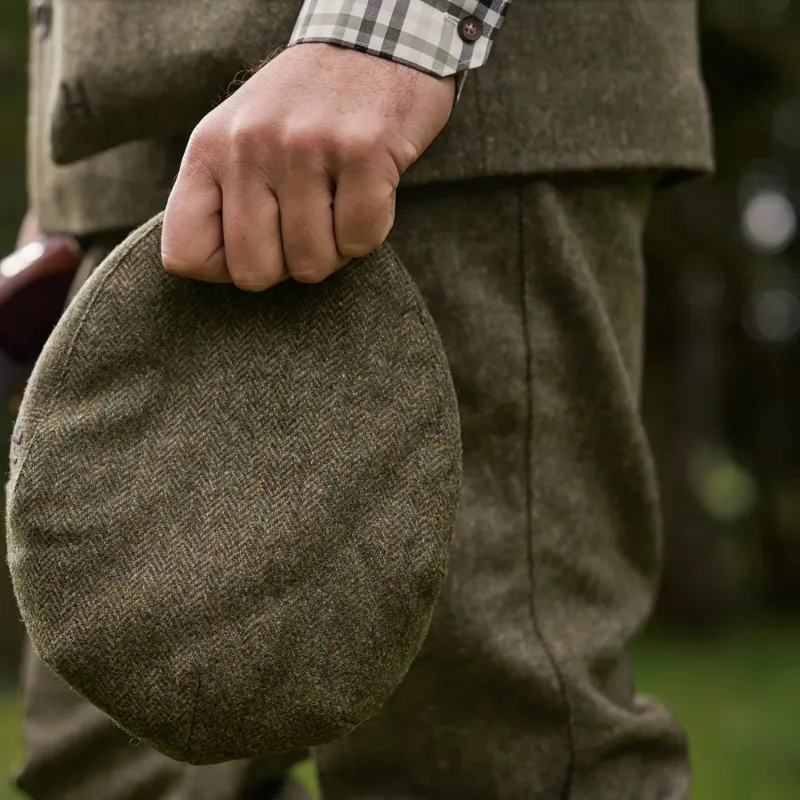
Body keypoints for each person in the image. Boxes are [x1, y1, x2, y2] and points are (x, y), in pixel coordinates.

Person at [13, 0, 713, 798]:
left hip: (416, 116)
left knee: (483, 760)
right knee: (107, 776)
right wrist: (58, 202)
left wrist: (382, 30)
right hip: (120, 162)